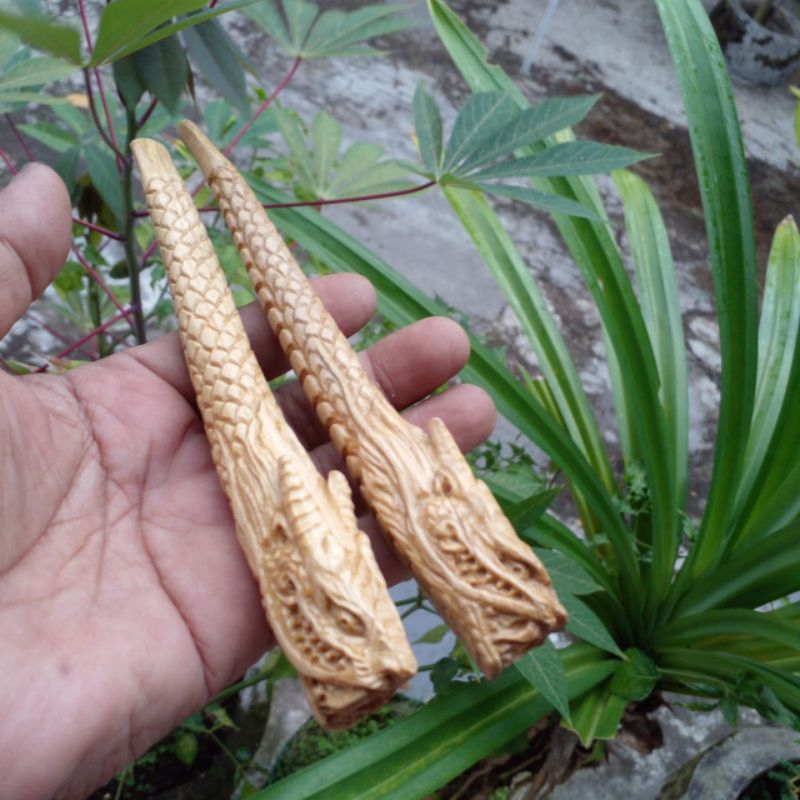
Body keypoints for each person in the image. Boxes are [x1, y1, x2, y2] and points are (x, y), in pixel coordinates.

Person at [0, 164, 496, 800]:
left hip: (291, 509)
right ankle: (360, 639)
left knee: (300, 391)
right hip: (278, 508)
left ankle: (418, 618)